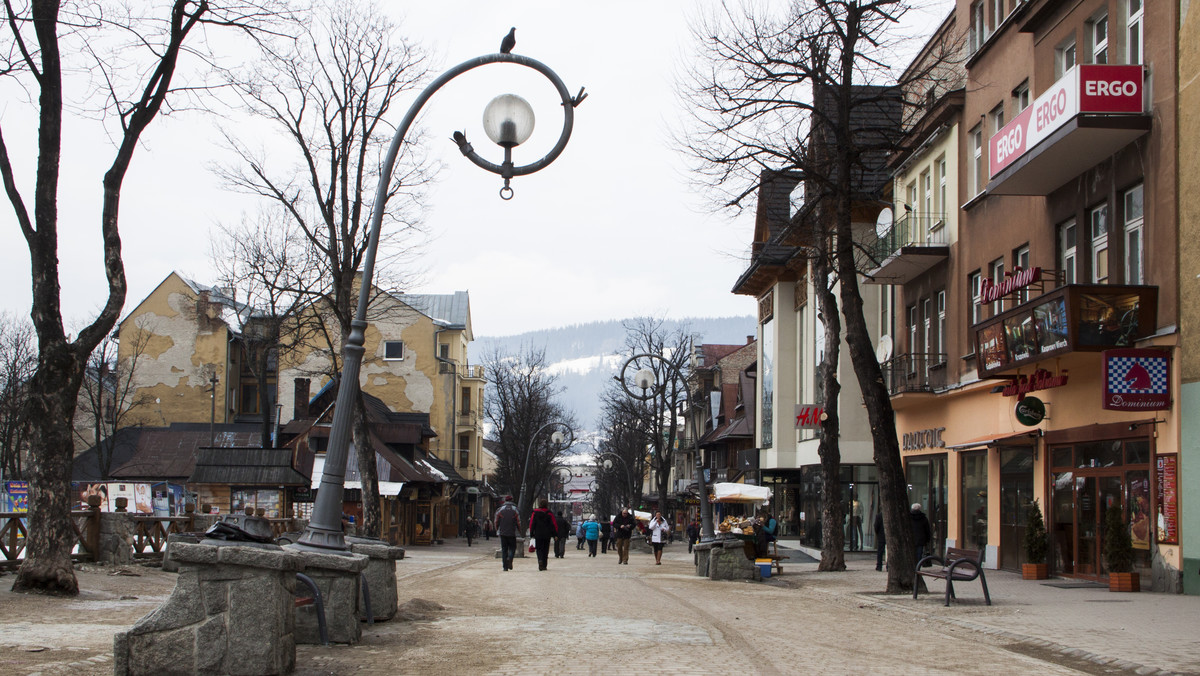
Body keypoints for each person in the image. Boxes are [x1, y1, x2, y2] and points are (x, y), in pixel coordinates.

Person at [528, 498, 558, 571]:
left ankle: (540, 560)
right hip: (547, 535)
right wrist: (555, 534)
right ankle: (544, 565)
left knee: (539, 549)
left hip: (538, 534)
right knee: (545, 549)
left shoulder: (535, 513)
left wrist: (531, 533)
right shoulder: (549, 513)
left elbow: (532, 523)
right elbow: (553, 524)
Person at [494, 496, 521, 571]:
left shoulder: (500, 509)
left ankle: (505, 567)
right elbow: (519, 522)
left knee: (504, 549)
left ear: (505, 500)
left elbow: (496, 521)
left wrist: (497, 530)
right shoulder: (515, 509)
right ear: (512, 500)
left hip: (503, 532)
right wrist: (519, 530)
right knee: (512, 548)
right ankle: (510, 558)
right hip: (512, 532)